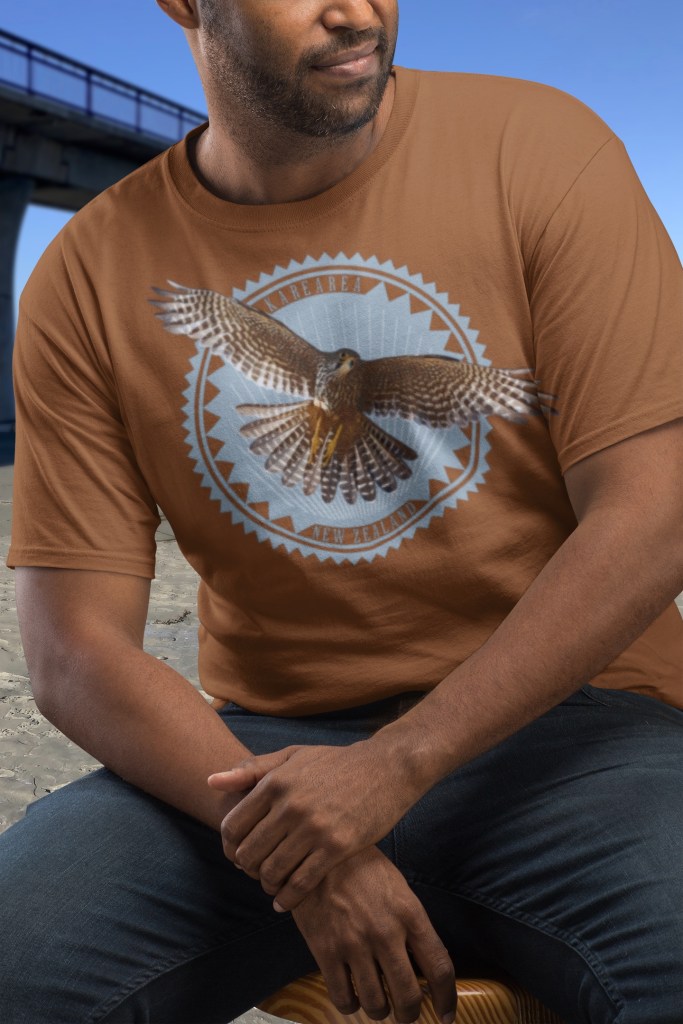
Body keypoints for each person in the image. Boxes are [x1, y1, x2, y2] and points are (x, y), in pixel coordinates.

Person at [1, 1, 682, 1021]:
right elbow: (71, 649)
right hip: (258, 761)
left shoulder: (542, 150)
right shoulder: (90, 272)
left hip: (578, 727)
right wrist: (301, 851)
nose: (356, 9)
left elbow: (653, 513)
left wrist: (393, 768)